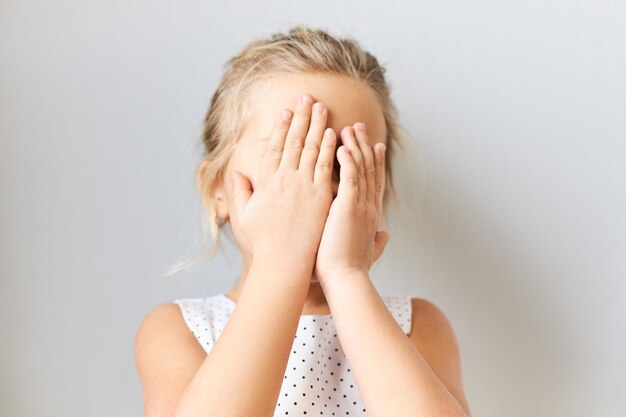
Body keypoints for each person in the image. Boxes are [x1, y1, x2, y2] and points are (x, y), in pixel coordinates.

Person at [134, 25, 472, 417]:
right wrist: (279, 265)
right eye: (289, 160)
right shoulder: (180, 330)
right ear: (216, 191)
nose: (317, 187)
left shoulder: (417, 325)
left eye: (347, 162)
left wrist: (346, 275)